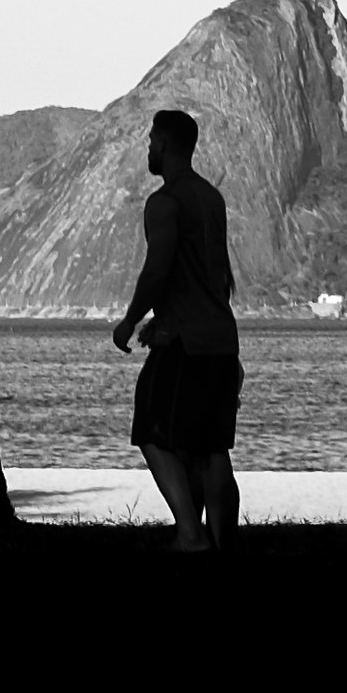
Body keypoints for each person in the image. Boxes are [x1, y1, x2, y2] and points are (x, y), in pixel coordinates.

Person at [113, 103, 241, 546]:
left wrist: (130, 320)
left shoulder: (164, 203)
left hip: (187, 343)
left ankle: (190, 531)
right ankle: (222, 542)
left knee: (151, 427)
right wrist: (160, 318)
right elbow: (215, 276)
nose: (149, 147)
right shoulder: (211, 198)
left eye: (151, 139)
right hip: (222, 340)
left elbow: (158, 269)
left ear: (164, 143)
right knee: (212, 448)